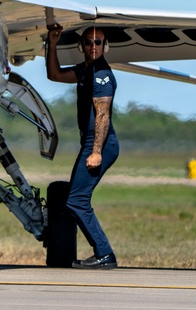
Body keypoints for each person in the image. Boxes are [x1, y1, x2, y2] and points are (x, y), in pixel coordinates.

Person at [45, 25, 120, 269]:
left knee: (76, 200)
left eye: (98, 42)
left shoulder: (101, 75)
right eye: (88, 42)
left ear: (105, 46)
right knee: (76, 199)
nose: (93, 47)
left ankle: (105, 254)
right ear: (82, 47)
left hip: (100, 143)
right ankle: (103, 253)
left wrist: (96, 151)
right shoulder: (86, 70)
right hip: (91, 142)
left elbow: (102, 115)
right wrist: (53, 44)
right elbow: (54, 75)